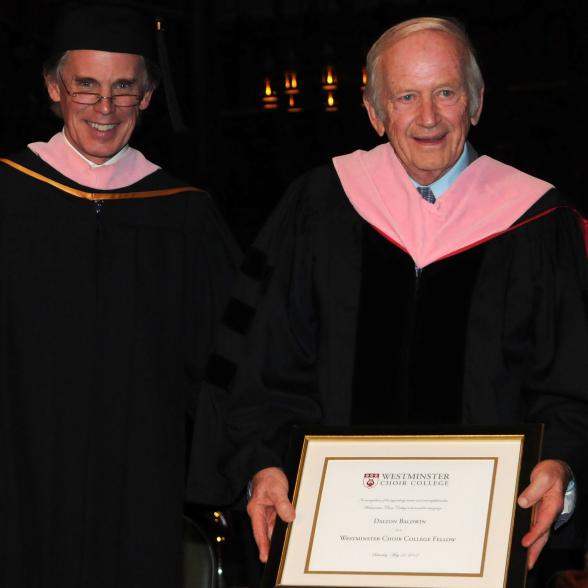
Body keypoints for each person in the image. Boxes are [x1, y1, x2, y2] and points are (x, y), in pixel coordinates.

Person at [196, 16, 588, 585]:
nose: (427, 117)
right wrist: (262, 463)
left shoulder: (538, 223)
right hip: (332, 549)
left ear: (475, 103)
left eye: (446, 93)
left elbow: (573, 383)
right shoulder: (315, 209)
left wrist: (563, 465)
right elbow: (261, 368)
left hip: (485, 550)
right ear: (375, 111)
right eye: (406, 96)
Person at [0, 4, 238, 587]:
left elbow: (232, 361)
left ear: (148, 95)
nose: (105, 109)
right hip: (16, 479)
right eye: (86, 87)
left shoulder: (185, 214)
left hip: (140, 485)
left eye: (123, 89)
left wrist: (232, 468)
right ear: (54, 87)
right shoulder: (8, 195)